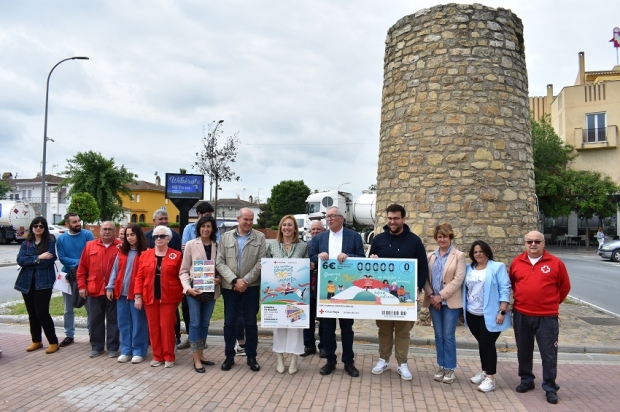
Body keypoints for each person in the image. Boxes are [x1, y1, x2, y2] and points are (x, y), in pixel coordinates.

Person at [510, 231, 571, 405]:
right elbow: (513, 283)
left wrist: (550, 304)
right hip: (522, 314)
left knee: (549, 354)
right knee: (523, 350)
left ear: (544, 243)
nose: (533, 244)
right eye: (529, 241)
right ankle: (526, 380)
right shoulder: (517, 262)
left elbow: (564, 287)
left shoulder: (556, 263)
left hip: (547, 317)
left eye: (537, 241)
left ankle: (550, 387)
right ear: (525, 243)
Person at [368, 204, 429, 380]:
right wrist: (372, 260)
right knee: (384, 330)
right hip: (383, 295)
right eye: (390, 218)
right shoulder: (378, 240)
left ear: (403, 219)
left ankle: (402, 363)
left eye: (396, 218)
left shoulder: (414, 241)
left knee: (403, 331)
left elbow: (423, 267)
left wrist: (417, 287)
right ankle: (384, 360)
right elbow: (371, 266)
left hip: (406, 296)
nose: (392, 221)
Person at [309, 206, 365, 377]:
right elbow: (310, 259)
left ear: (341, 218)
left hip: (347, 290)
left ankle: (348, 361)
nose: (330, 219)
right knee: (327, 327)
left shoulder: (353, 236)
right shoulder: (318, 239)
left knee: (347, 328)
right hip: (326, 290)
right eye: (327, 216)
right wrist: (318, 257)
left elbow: (362, 258)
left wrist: (349, 257)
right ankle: (330, 360)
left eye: (333, 216)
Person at [216, 208, 266, 372]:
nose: (249, 222)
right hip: (230, 287)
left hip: (250, 287)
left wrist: (245, 281)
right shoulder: (225, 237)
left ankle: (251, 357)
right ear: (238, 219)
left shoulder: (260, 237)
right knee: (229, 323)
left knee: (250, 323)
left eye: (251, 220)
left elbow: (261, 262)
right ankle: (229, 356)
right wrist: (234, 280)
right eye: (245, 219)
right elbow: (219, 262)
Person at [462, 240, 511, 393]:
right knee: (482, 343)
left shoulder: (497, 267)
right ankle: (484, 371)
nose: (478, 254)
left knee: (488, 345)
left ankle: (490, 378)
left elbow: (505, 288)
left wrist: (502, 310)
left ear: (487, 252)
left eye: (481, 251)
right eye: (475, 252)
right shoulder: (468, 268)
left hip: (491, 314)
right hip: (472, 314)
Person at [134, 225, 184, 368]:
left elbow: (181, 276)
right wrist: (138, 296)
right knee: (153, 327)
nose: (158, 239)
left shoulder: (177, 255)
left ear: (168, 238)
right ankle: (158, 356)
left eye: (162, 236)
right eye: (156, 236)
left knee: (166, 326)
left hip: (169, 297)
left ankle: (169, 356)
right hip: (149, 296)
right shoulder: (145, 255)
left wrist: (181, 294)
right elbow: (139, 277)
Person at [266, 215, 309, 374]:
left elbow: (306, 267)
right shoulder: (273, 246)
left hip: (295, 294)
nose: (287, 228)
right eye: (284, 225)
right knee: (279, 326)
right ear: (280, 227)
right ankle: (279, 357)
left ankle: (294, 360)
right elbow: (267, 266)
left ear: (295, 228)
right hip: (278, 294)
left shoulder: (303, 246)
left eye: (290, 225)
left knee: (295, 326)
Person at [423, 223, 466, 384]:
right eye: (439, 237)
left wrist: (441, 296)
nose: (442, 239)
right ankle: (441, 366)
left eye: (445, 236)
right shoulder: (430, 256)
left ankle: (450, 368)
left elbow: (458, 279)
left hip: (450, 302)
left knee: (448, 336)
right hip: (434, 301)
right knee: (438, 335)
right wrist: (431, 295)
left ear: (450, 237)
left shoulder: (458, 256)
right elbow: (425, 278)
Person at [180, 216, 221, 373]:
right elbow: (183, 271)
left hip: (211, 291)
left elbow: (220, 268)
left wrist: (219, 279)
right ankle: (195, 357)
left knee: (205, 323)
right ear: (198, 228)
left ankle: (201, 354)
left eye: (209, 226)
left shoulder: (217, 245)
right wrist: (187, 289)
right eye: (203, 226)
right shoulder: (191, 245)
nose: (206, 229)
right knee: (195, 323)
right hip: (194, 291)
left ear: (213, 229)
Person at [77, 221, 121, 358]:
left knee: (114, 319)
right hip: (94, 289)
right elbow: (82, 268)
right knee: (95, 319)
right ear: (100, 231)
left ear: (115, 231)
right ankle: (97, 346)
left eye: (110, 229)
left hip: (114, 291)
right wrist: (82, 286)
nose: (107, 232)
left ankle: (113, 347)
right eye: (104, 229)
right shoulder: (90, 246)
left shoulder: (121, 246)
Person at [14, 217, 59, 354]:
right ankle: (36, 341)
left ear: (44, 228)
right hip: (26, 283)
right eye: (35, 226)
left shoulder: (50, 242)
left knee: (42, 312)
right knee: (32, 313)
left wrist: (32, 261)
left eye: (41, 226)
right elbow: (20, 260)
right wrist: (39, 257)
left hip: (44, 283)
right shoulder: (26, 243)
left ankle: (53, 342)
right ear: (32, 227)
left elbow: (48, 262)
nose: (38, 228)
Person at [105, 224, 149, 364]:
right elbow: (114, 271)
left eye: (132, 234)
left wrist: (140, 294)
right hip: (121, 294)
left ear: (138, 235)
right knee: (123, 323)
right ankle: (126, 350)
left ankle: (138, 351)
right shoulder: (122, 252)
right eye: (127, 235)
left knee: (138, 323)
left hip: (137, 294)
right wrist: (110, 287)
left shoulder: (145, 253)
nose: (129, 238)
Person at [145, 209, 188, 349]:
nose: (164, 221)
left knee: (170, 318)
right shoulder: (146, 237)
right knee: (154, 321)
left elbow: (178, 261)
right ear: (154, 221)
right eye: (161, 219)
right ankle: (155, 345)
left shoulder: (174, 236)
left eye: (166, 218)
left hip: (169, 287)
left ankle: (174, 338)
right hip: (151, 287)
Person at [56, 212, 94, 347]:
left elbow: (91, 254)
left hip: (86, 277)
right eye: (74, 222)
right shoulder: (61, 239)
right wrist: (80, 262)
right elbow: (62, 258)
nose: (78, 224)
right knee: (68, 308)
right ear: (67, 224)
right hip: (68, 277)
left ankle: (92, 334)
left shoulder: (87, 235)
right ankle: (69, 335)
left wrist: (80, 265)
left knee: (89, 307)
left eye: (78, 221)